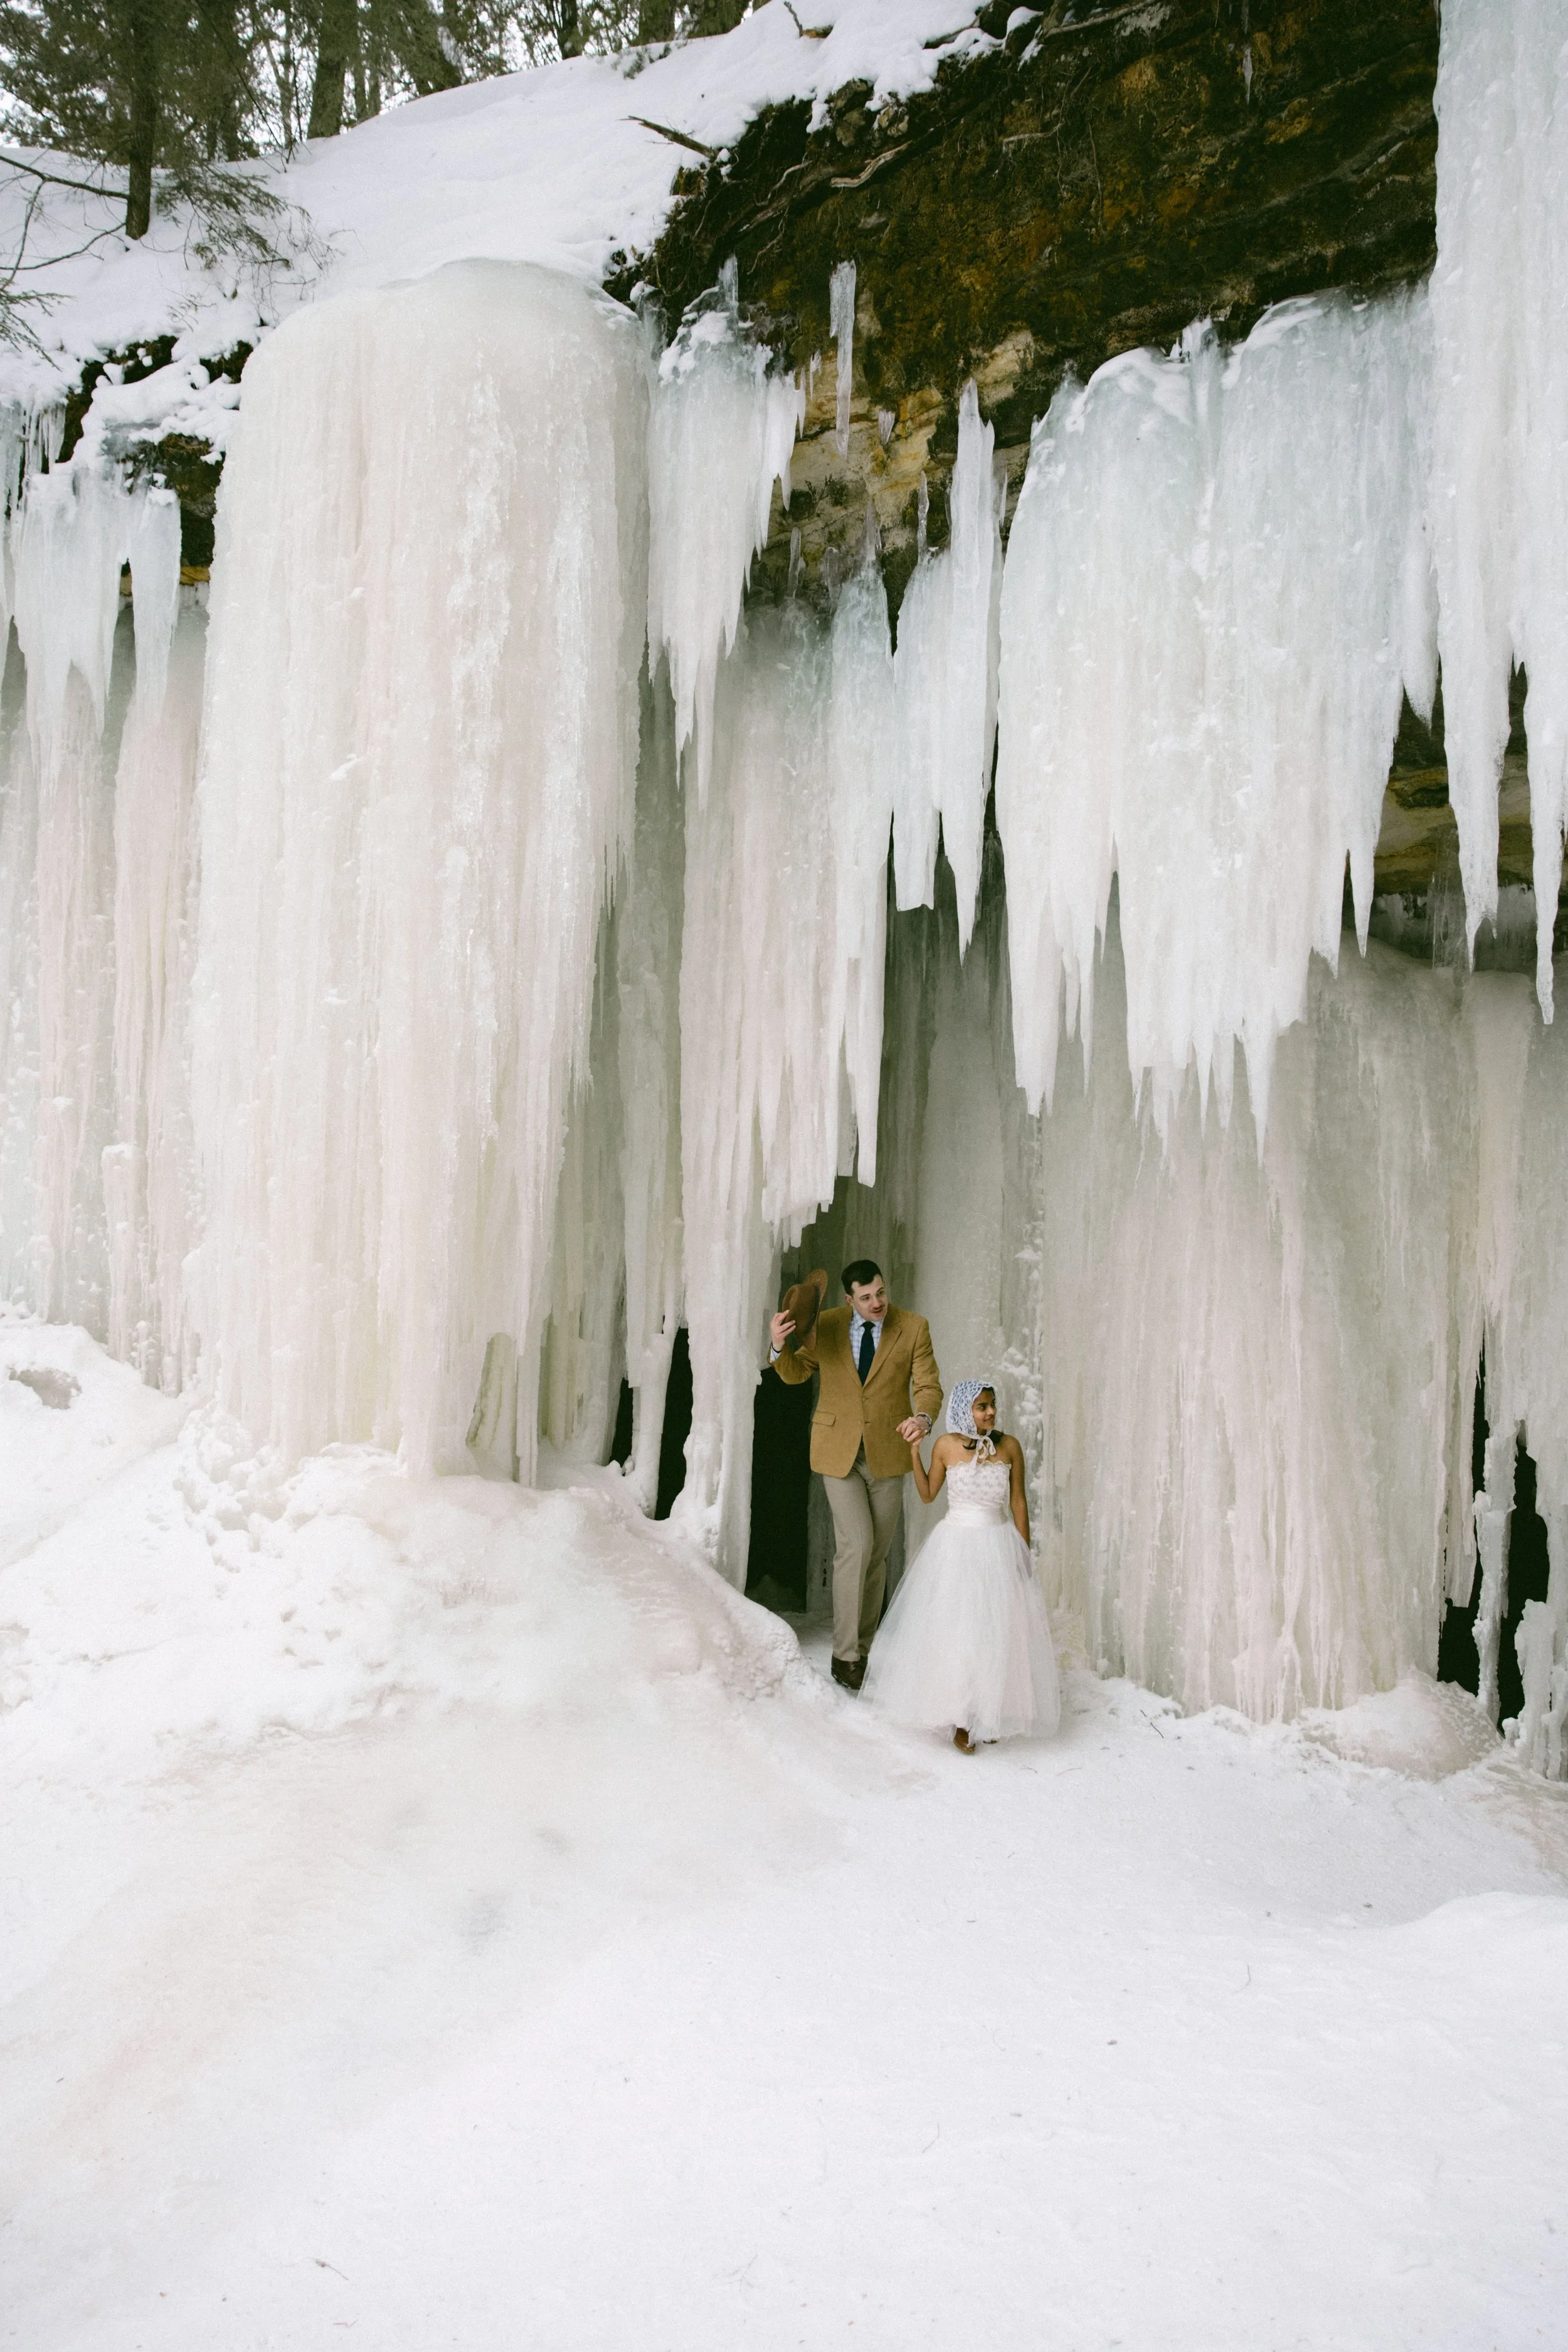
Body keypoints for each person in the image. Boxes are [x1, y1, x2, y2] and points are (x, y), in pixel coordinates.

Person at [768, 1259, 942, 1691]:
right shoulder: (826, 1325)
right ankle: (844, 1655)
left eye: (880, 1293)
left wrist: (922, 1418)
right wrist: (776, 1347)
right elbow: (794, 1374)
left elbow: (928, 1385)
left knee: (877, 1557)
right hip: (837, 1453)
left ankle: (861, 1651)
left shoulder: (914, 1327)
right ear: (849, 1299)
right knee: (856, 1546)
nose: (877, 1302)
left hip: (888, 1452)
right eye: (866, 1297)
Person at [862, 1380, 1061, 1751]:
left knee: (996, 1627)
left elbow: (1018, 1502)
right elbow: (926, 1495)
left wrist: (1023, 1552)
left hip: (998, 1542)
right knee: (960, 1628)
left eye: (993, 1405)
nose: (990, 1412)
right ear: (963, 1409)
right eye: (981, 1406)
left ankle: (989, 1709)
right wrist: (914, 1452)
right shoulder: (945, 1446)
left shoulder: (1010, 1446)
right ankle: (960, 1719)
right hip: (955, 1545)